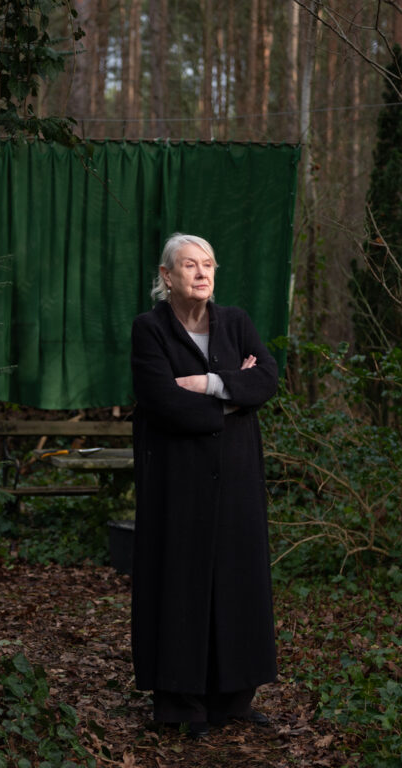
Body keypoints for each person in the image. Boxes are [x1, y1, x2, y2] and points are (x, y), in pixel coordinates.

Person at [130, 232, 279, 739]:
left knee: (237, 580)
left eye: (209, 264)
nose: (201, 273)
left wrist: (209, 385)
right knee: (180, 582)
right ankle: (182, 704)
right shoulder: (149, 330)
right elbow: (162, 401)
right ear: (166, 277)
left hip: (235, 478)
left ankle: (233, 699)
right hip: (177, 482)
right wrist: (235, 398)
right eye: (190, 265)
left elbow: (268, 380)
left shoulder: (236, 322)